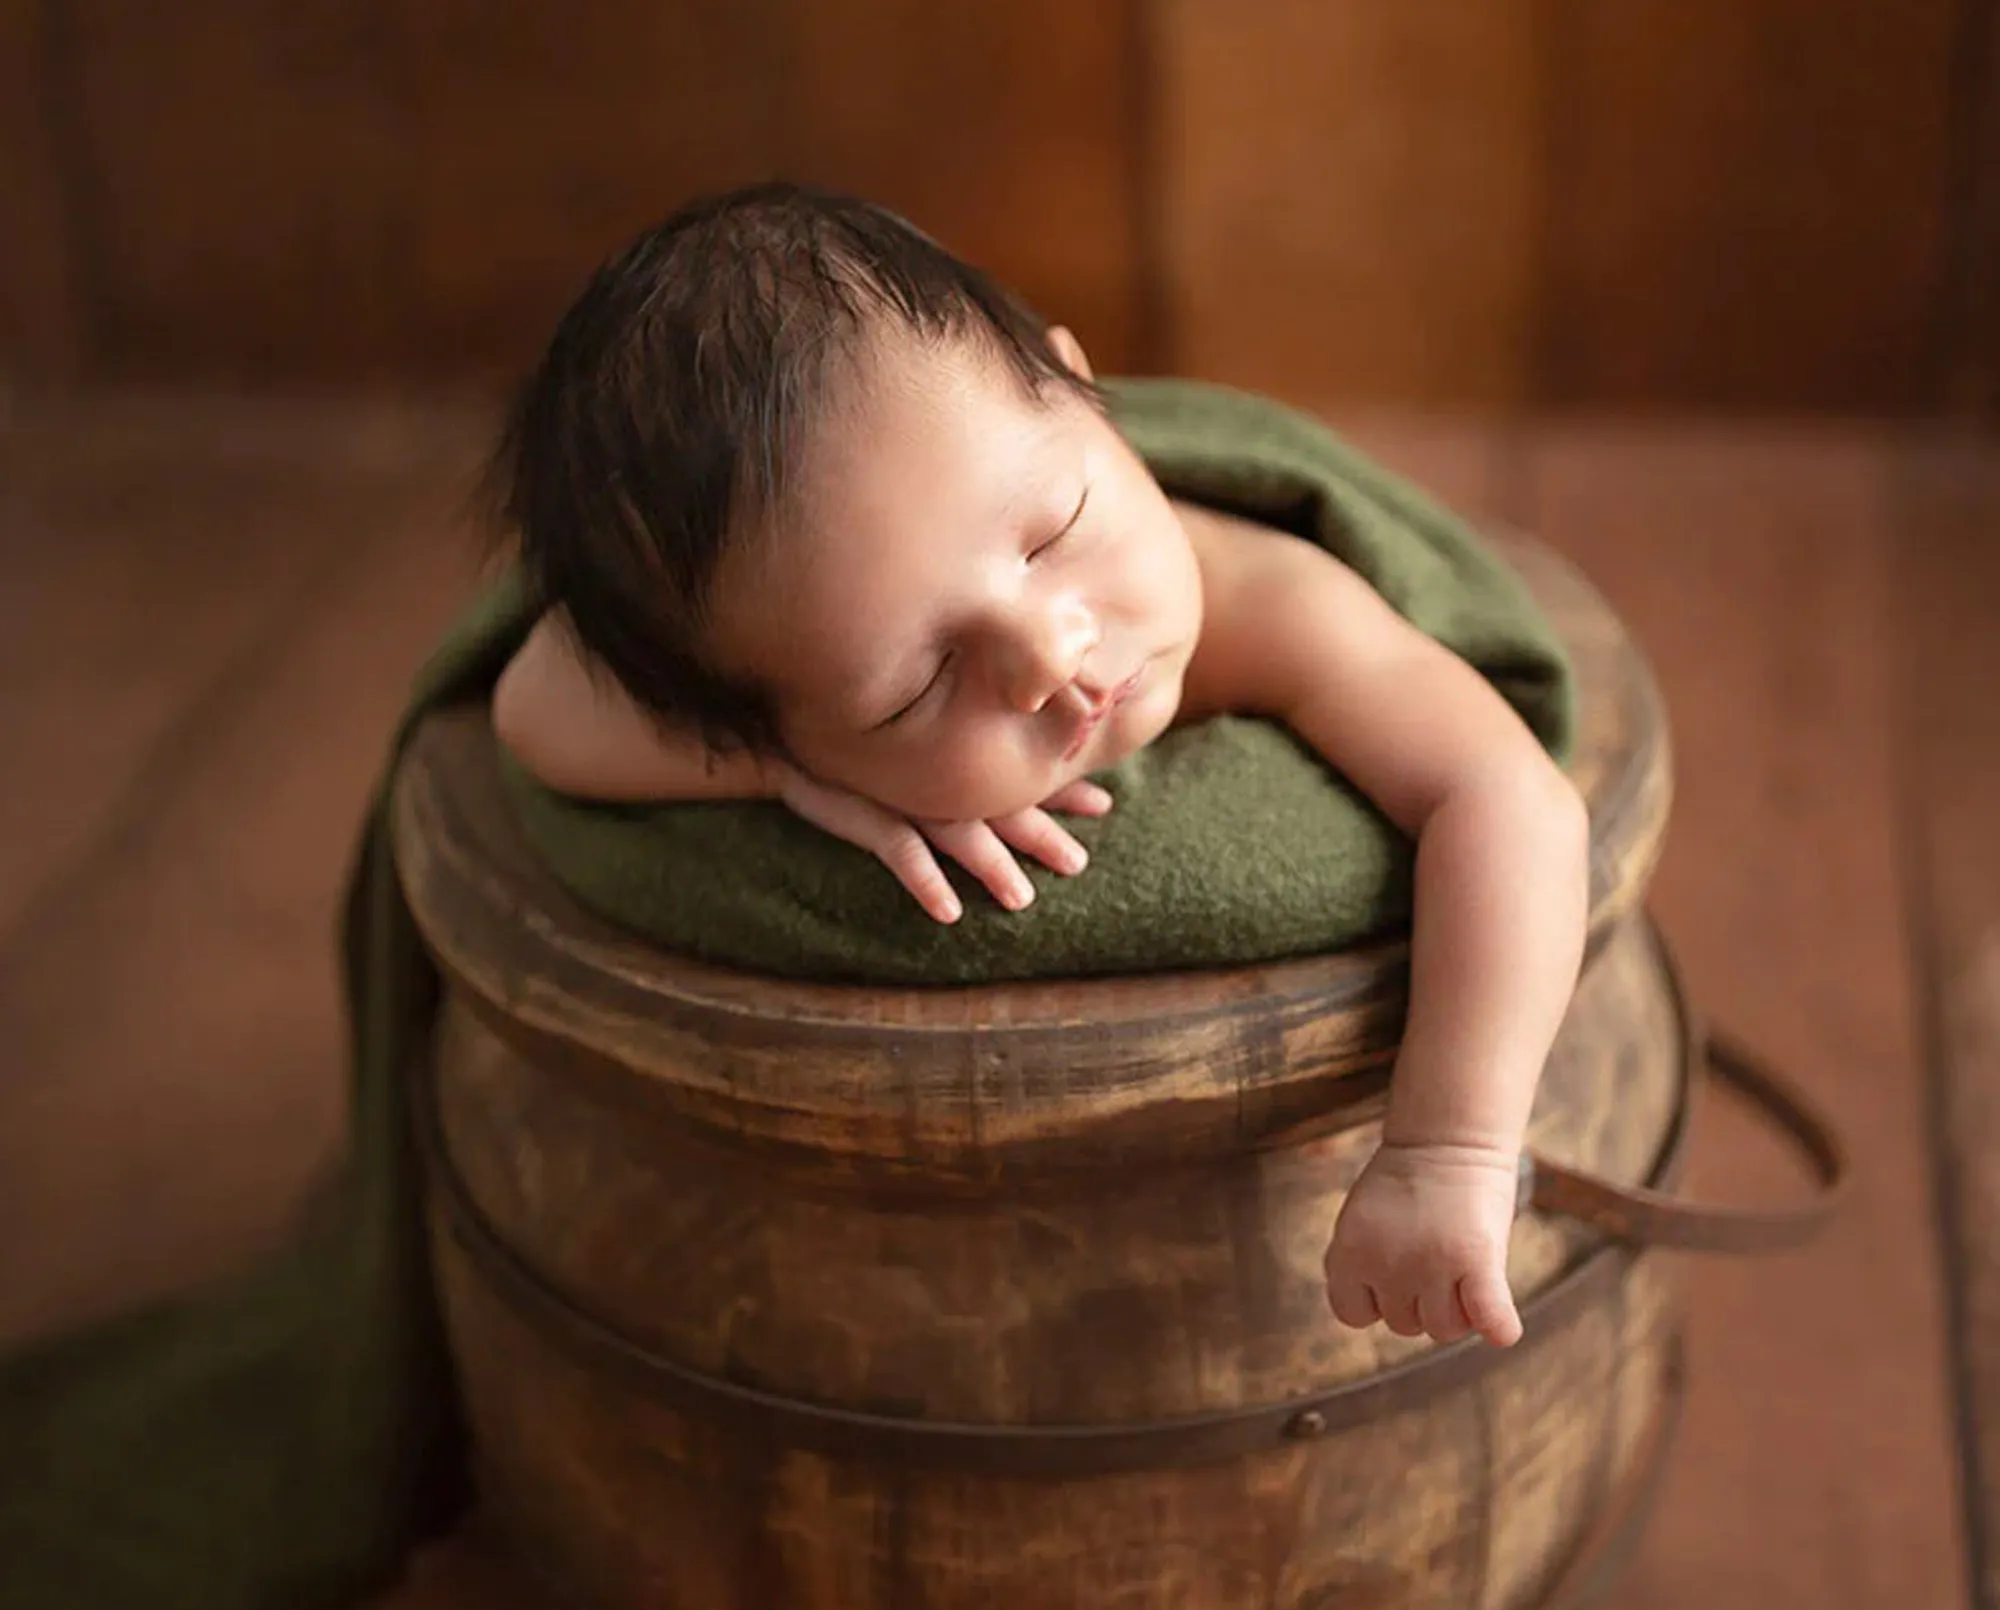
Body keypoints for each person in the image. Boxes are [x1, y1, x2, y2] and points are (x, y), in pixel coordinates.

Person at [487, 183, 1589, 1352]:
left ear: (1081, 386)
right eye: (914, 687)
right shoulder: (792, 707)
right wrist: (779, 774)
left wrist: (1448, 1147)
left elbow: (1504, 793)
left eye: (1056, 528)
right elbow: (528, 704)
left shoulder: (1274, 605)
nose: (1047, 655)